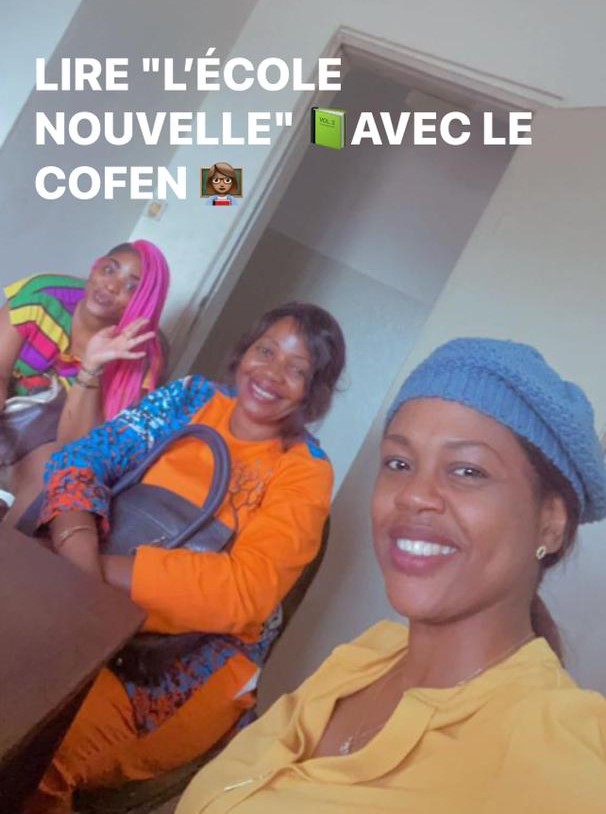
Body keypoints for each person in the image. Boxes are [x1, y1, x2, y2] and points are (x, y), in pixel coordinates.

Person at [174, 337, 606, 814]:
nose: (413, 495)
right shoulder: (368, 655)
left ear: (551, 521)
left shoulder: (558, 758)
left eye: (467, 471)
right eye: (399, 463)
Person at [24, 302, 346, 813]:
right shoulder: (191, 397)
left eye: (297, 369)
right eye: (266, 351)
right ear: (245, 350)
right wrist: (80, 556)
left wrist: (90, 574)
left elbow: (244, 591)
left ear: (314, 391)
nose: (272, 373)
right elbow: (82, 458)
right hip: (83, 599)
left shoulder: (305, 471)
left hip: (178, 666)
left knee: (41, 751)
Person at [0, 239, 170, 518]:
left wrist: (92, 367)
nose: (111, 286)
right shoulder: (42, 296)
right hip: (6, 406)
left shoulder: (140, 358)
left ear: (143, 302)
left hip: (47, 441)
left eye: (131, 287)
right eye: (109, 270)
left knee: (53, 479)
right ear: (95, 268)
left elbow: (78, 447)